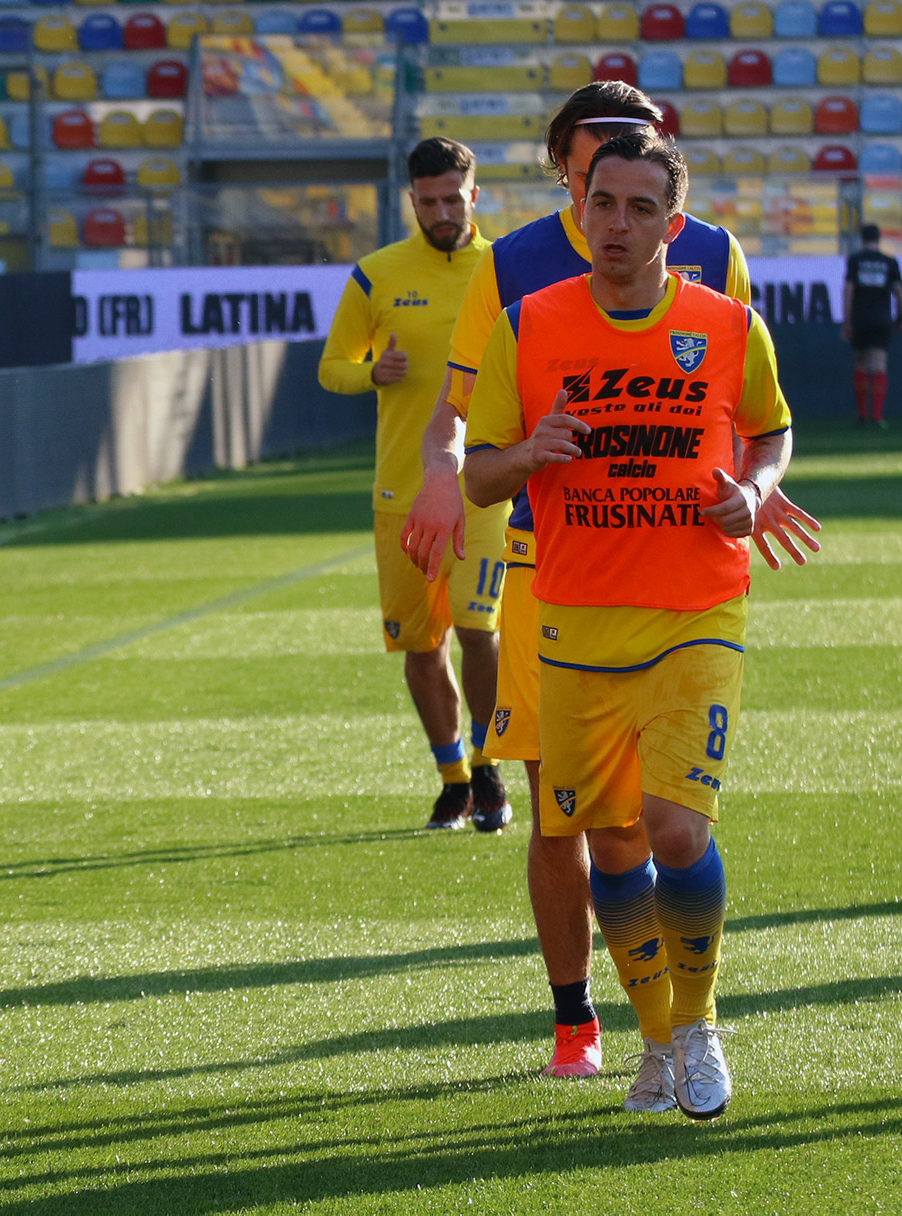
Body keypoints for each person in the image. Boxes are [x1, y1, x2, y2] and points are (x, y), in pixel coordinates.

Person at [400, 81, 818, 1081]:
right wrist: (446, 477)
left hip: (692, 590)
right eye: (597, 184)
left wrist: (756, 488)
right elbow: (470, 428)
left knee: (672, 824)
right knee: (585, 823)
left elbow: (752, 412)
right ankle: (602, 1026)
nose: (615, 209)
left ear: (670, 211)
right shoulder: (513, 283)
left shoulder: (718, 275)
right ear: (567, 179)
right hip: (562, 585)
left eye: (638, 192)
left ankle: (691, 1025)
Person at [319, 136, 511, 832]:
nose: (439, 212)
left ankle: (491, 767)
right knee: (419, 644)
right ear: (411, 200)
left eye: (450, 199)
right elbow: (331, 365)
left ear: (473, 195)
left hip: (481, 486)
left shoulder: (503, 269)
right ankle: (452, 776)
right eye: (426, 201)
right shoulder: (375, 275)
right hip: (400, 490)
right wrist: (371, 372)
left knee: (479, 632)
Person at [842, 223, 900, 428]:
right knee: (878, 364)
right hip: (881, 319)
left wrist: (847, 320)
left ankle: (862, 415)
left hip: (860, 318)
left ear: (862, 239)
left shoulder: (855, 260)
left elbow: (848, 290)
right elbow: (899, 293)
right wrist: (899, 318)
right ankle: (876, 416)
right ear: (878, 239)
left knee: (860, 362)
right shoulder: (889, 262)